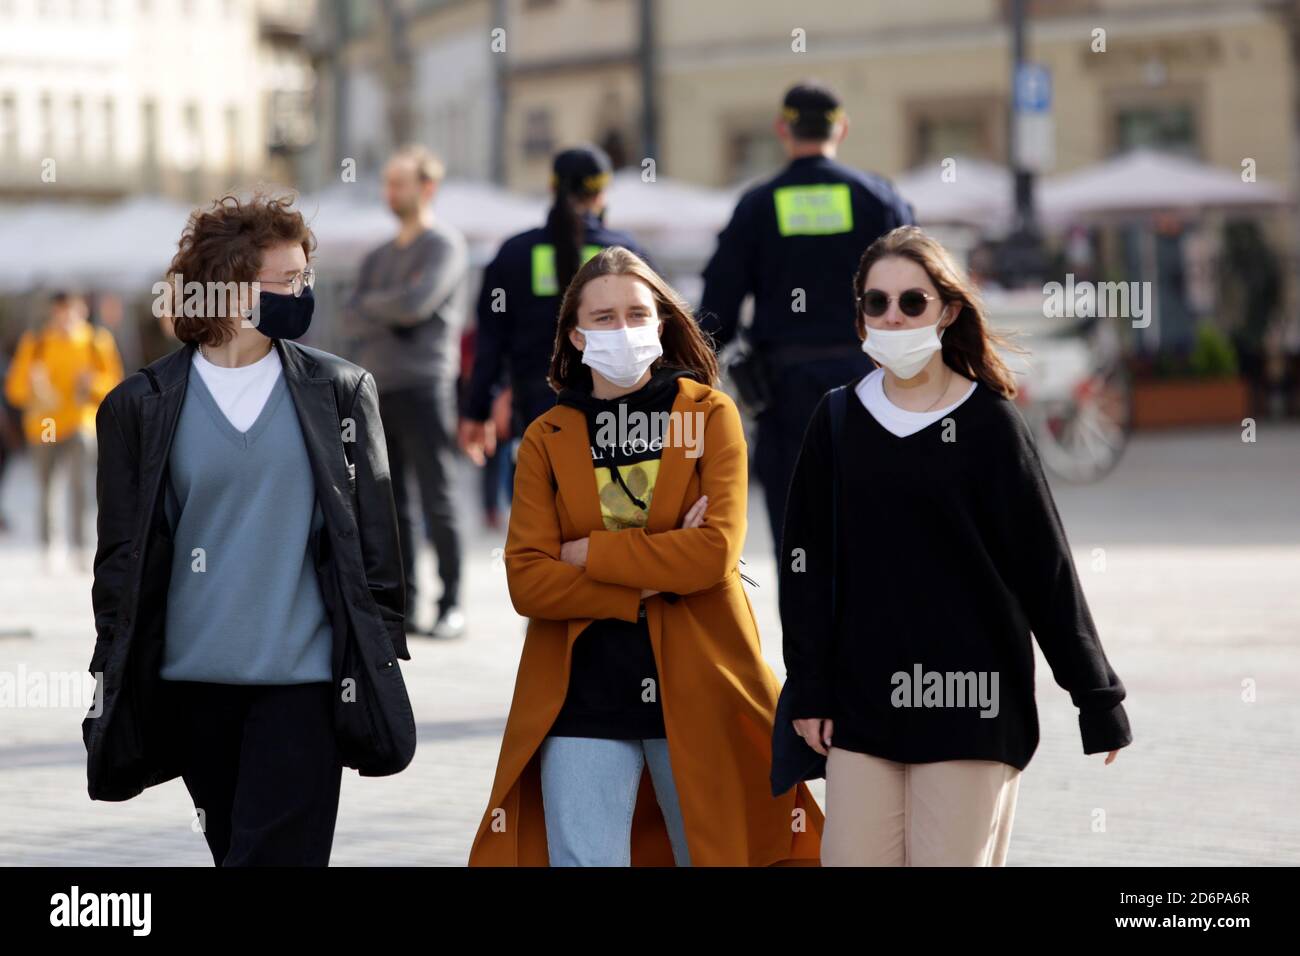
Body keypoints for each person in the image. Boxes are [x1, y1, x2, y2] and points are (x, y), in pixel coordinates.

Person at [777, 226, 1133, 866]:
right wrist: (809, 689)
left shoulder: (991, 424)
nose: (893, 316)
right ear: (860, 317)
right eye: (876, 303)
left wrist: (1096, 697)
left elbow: (1043, 568)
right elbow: (805, 568)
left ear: (947, 309)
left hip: (973, 701)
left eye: (912, 302)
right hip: (863, 704)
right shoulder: (835, 420)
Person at [83, 192, 414, 866]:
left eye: (305, 280)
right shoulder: (137, 408)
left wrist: (376, 653)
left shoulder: (342, 391)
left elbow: (378, 543)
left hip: (305, 682)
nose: (302, 295)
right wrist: (109, 667)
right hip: (192, 684)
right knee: (236, 847)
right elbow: (120, 557)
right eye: (285, 282)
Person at [468, 247, 824, 867]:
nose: (623, 329)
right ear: (576, 337)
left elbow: (712, 556)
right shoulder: (548, 437)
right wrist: (649, 574)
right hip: (579, 692)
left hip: (698, 685)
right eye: (603, 318)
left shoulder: (709, 416)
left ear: (660, 324)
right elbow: (528, 581)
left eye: (637, 313)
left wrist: (584, 554)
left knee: (708, 856)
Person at [699, 81, 915, 557]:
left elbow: (718, 310)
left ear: (783, 129)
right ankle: (865, 628)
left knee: (796, 532)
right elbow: (923, 290)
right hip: (872, 382)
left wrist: (687, 380)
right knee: (873, 527)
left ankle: (806, 630)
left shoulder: (757, 206)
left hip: (786, 390)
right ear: (842, 127)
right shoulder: (878, 199)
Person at [459, 144, 654, 468]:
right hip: (617, 411)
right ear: (602, 192)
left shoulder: (513, 253)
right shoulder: (626, 254)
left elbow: (490, 340)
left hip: (537, 408)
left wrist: (477, 410)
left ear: (552, 187)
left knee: (543, 504)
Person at [342, 145, 469, 639]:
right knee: (390, 503)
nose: (390, 192)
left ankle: (451, 602)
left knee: (438, 497)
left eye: (401, 182)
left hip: (426, 384)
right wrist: (388, 308)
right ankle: (405, 605)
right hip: (377, 386)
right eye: (387, 182)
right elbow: (348, 316)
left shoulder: (444, 245)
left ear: (427, 187)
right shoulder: (376, 256)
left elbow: (418, 304)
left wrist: (383, 307)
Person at [4, 290, 122, 570]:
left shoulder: (96, 342)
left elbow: (115, 386)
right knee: (48, 487)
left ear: (81, 310)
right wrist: (33, 386)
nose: (65, 317)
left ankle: (81, 545)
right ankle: (50, 546)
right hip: (45, 426)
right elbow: (14, 391)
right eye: (60, 311)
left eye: (70, 310)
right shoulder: (36, 343)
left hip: (81, 421)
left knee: (81, 484)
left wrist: (92, 384)